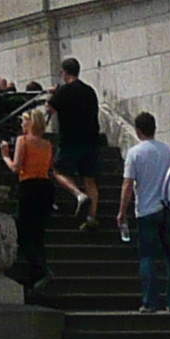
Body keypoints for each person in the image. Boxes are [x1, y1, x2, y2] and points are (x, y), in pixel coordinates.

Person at [119, 110, 170, 314]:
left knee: (147, 256)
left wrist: (122, 211)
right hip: (169, 209)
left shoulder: (135, 153)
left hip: (146, 211)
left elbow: (128, 184)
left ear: (138, 131)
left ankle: (150, 302)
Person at [46, 59, 106, 226]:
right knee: (90, 179)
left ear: (65, 72)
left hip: (70, 140)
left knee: (58, 171)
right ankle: (92, 218)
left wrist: (53, 96)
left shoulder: (64, 91)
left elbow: (49, 109)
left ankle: (79, 195)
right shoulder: (90, 91)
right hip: (92, 140)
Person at [8, 108, 59, 283]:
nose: (22, 124)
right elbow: (50, 167)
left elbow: (16, 167)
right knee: (38, 233)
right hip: (45, 186)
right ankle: (40, 269)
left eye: (24, 121)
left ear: (30, 123)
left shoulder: (23, 141)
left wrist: (5, 156)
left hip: (28, 186)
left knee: (24, 233)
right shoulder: (47, 144)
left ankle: (39, 270)